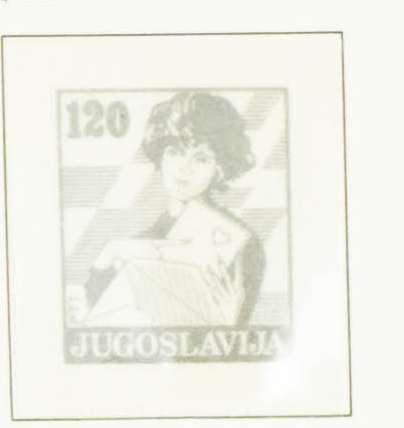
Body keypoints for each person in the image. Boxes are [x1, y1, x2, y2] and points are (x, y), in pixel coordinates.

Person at [72, 87, 270, 332]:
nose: (184, 168)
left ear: (218, 170)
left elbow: (236, 340)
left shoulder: (242, 247)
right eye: (175, 152)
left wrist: (230, 326)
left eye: (201, 158)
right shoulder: (134, 244)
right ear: (161, 157)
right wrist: (105, 258)